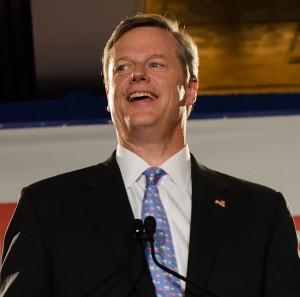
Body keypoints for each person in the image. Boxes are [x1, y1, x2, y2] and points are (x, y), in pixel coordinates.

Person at [1, 13, 300, 297]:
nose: (138, 75)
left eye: (156, 64)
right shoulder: (46, 208)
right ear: (108, 93)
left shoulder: (261, 213)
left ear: (190, 89)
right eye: (122, 68)